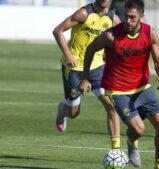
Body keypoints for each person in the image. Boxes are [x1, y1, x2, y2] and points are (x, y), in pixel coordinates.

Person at [80, 0, 159, 168]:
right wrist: (85, 78)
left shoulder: (150, 33)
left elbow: (158, 59)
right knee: (139, 129)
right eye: (125, 17)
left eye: (132, 18)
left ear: (141, 16)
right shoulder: (110, 36)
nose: (127, 21)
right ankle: (131, 142)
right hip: (118, 90)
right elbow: (90, 49)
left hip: (143, 88)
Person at [52, 0, 122, 149]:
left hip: (97, 69)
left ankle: (116, 150)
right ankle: (62, 109)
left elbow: (120, 43)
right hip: (74, 69)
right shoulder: (84, 13)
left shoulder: (114, 19)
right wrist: (68, 54)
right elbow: (57, 31)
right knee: (73, 113)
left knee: (112, 106)